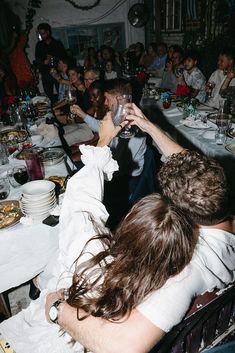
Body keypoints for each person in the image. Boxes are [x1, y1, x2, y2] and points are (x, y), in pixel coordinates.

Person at [71, 78, 147, 228]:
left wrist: (87, 156)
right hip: (117, 173)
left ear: (120, 99)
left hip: (123, 181)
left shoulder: (131, 126)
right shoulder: (119, 117)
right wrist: (83, 115)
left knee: (80, 192)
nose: (105, 103)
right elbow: (101, 127)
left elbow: (115, 166)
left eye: (107, 99)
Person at [35, 23, 66, 103]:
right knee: (48, 97)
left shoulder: (57, 43)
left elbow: (64, 58)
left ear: (48, 32)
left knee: (62, 95)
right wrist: (43, 62)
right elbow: (37, 59)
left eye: (43, 33)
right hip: (45, 73)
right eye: (40, 34)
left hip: (57, 73)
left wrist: (53, 58)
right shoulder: (39, 45)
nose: (42, 36)